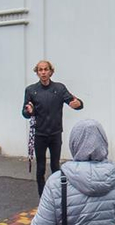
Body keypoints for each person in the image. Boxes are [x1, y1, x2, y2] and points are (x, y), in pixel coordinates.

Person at [21, 60, 84, 196]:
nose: (43, 72)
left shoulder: (59, 88)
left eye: (45, 69)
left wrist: (78, 104)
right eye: (40, 70)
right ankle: (42, 196)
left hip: (55, 134)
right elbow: (25, 113)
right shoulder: (31, 90)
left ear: (51, 71)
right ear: (37, 72)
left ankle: (57, 195)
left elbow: (75, 102)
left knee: (55, 166)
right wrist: (29, 110)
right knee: (41, 168)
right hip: (40, 134)